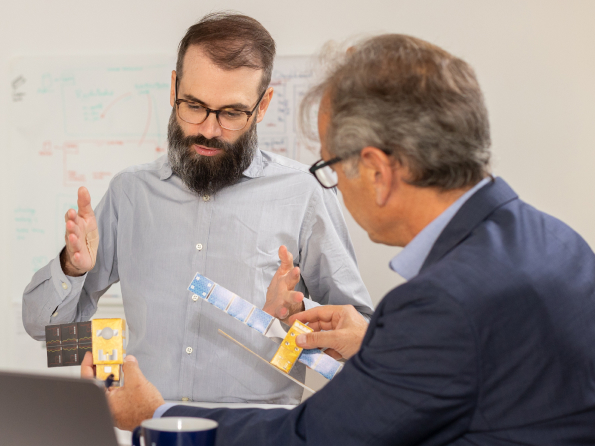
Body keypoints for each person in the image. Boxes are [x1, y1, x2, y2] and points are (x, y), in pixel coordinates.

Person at [93, 34, 595, 444]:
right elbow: (489, 371)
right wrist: (375, 342)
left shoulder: (443, 303)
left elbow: (317, 438)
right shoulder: (561, 246)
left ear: (376, 170)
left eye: (330, 166)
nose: (333, 185)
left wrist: (157, 415)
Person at [22, 12, 373, 405]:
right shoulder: (130, 193)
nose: (209, 129)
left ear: (263, 105)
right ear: (174, 88)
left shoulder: (305, 193)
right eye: (194, 105)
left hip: (259, 436)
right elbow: (44, 331)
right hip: (148, 428)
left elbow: (362, 339)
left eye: (231, 113)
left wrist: (297, 315)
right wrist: (71, 268)